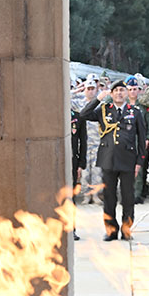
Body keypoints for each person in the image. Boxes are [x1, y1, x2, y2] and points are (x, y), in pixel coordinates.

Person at [79, 80, 147, 241]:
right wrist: (98, 99)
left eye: (122, 90)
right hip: (108, 160)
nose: (119, 93)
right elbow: (83, 114)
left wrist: (139, 162)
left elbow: (142, 138)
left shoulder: (135, 112)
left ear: (126, 93)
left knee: (128, 197)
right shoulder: (104, 109)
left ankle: (126, 229)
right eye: (115, 91)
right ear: (111, 94)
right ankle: (111, 230)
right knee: (109, 197)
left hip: (128, 160)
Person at [125, 75, 149, 204]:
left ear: (138, 90)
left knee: (139, 168)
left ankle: (137, 195)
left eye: (135, 89)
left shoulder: (143, 106)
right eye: (130, 89)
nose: (132, 92)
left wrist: (148, 138)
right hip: (125, 141)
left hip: (140, 140)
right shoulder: (122, 105)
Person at [69, 84, 87, 241]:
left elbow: (83, 142)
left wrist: (81, 164)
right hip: (55, 163)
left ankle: (71, 228)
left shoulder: (77, 117)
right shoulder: (52, 116)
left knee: (71, 197)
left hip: (72, 163)